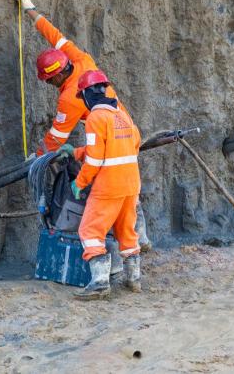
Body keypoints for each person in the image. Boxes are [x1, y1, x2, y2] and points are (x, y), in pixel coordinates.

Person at [16, 0, 153, 253]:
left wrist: (37, 158)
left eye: (49, 80)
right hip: (126, 129)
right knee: (128, 183)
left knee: (106, 188)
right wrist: (30, 10)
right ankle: (139, 238)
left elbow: (56, 137)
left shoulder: (70, 98)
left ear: (57, 77)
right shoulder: (80, 59)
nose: (49, 84)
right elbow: (55, 36)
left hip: (106, 137)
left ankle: (113, 246)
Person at [70, 70, 143, 300]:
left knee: (90, 231)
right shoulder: (121, 114)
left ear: (86, 95)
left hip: (108, 186)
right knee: (126, 231)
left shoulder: (95, 118)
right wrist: (76, 152)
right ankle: (134, 279)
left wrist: (79, 182)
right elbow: (132, 144)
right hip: (131, 184)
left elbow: (95, 159)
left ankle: (100, 283)